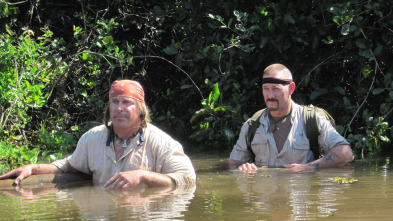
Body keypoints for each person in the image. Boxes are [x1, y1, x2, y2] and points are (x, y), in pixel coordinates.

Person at [0, 79, 196, 189]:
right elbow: (69, 165)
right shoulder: (92, 138)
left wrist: (143, 176)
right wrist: (33, 168)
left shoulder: (162, 143)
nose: (119, 108)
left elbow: (187, 179)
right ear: (108, 107)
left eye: (127, 102)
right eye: (115, 102)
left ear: (141, 109)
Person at [229, 63, 354, 172]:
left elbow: (346, 154)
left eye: (276, 89)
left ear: (291, 88)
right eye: (266, 89)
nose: (270, 95)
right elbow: (234, 163)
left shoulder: (312, 120)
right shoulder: (252, 125)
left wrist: (308, 167)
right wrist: (243, 168)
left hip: (302, 196)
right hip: (265, 197)